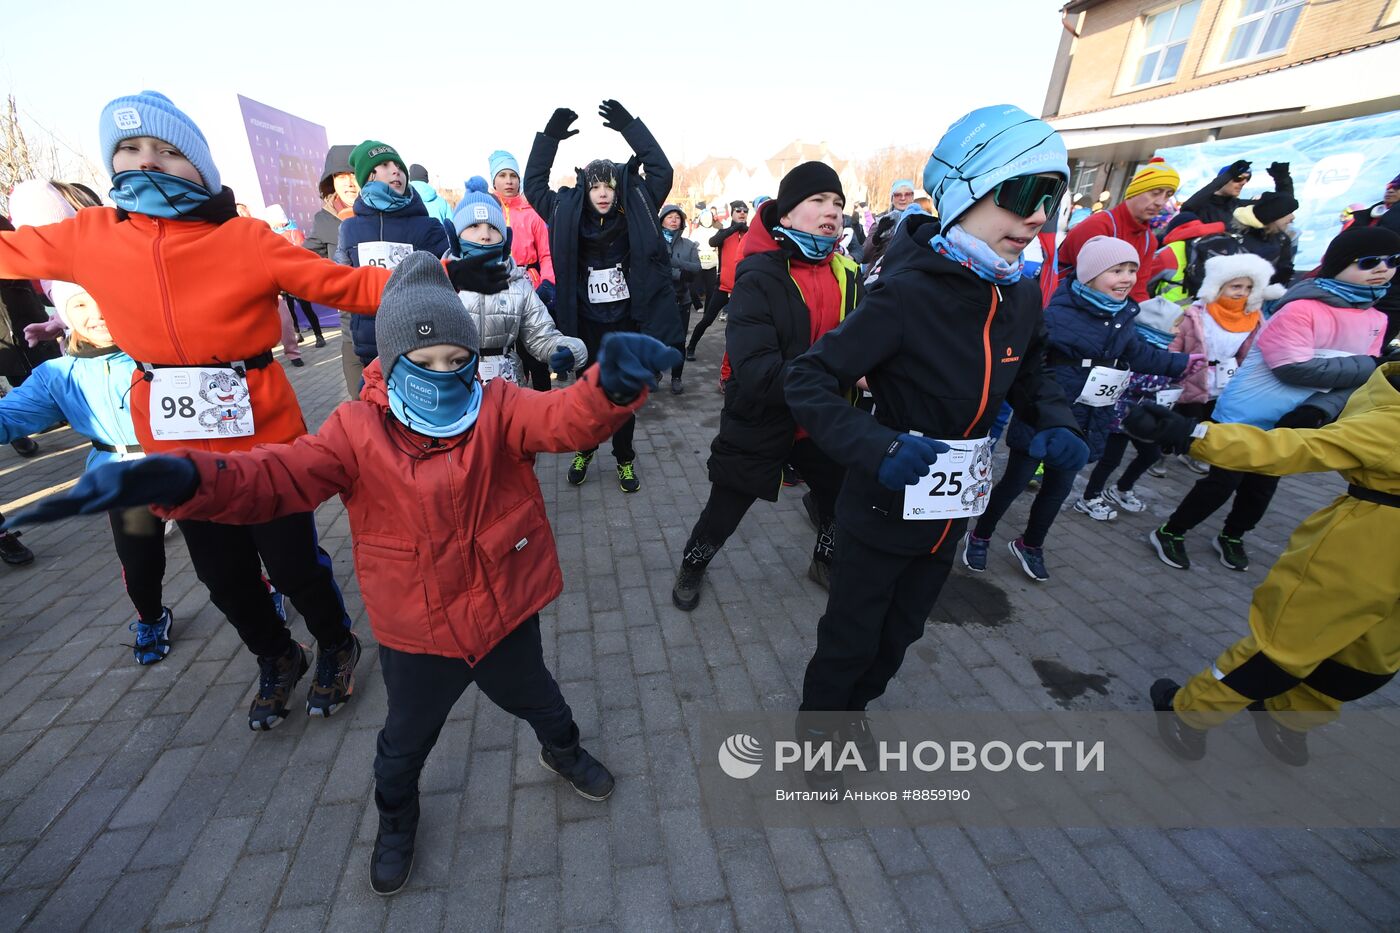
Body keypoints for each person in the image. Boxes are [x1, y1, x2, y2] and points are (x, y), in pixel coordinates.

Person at [7, 252, 682, 894]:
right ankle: (396, 816)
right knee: (404, 742)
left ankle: (561, 749)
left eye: (458, 359)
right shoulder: (354, 430)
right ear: (389, 361)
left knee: (540, 696)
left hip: (504, 608)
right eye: (424, 361)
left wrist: (609, 388)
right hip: (418, 631)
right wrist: (191, 476)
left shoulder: (498, 405)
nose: (444, 373)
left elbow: (563, 417)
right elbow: (277, 476)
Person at [0, 90, 504, 731]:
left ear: (202, 167)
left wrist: (449, 274)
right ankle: (275, 655)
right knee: (222, 574)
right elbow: (10, 251)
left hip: (262, 433)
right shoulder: (92, 237)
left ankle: (335, 641)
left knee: (292, 562)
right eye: (130, 150)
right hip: (175, 445)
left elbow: (344, 285)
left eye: (167, 152)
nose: (148, 163)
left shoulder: (246, 239)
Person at [784, 106, 1084, 769]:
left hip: (950, 513)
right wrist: (878, 446)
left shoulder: (1021, 293)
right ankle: (820, 741)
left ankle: (853, 713)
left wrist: (1056, 422)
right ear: (967, 189)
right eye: (1025, 192)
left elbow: (1033, 370)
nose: (1040, 216)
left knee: (899, 638)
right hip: (879, 507)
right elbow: (806, 379)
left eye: (1053, 196)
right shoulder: (906, 294)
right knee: (851, 638)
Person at [1123, 360, 1400, 767]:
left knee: (1371, 661)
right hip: (1371, 544)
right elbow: (1294, 448)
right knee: (1285, 646)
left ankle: (1290, 716)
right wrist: (1192, 433)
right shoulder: (1391, 423)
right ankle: (1191, 714)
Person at [1149, 225, 1399, 572]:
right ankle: (1172, 530)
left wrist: (1317, 409)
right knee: (1223, 481)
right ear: (1340, 264)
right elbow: (1291, 367)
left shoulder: (1376, 318)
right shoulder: (1302, 308)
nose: (1383, 269)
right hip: (1246, 412)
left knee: (1262, 487)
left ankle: (1233, 534)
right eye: (1369, 261)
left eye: (1392, 261)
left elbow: (1360, 382)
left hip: (1294, 419)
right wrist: (1367, 364)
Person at [671, 162, 859, 612]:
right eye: (817, 201)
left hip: (823, 421)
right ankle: (693, 564)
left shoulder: (848, 273)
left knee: (841, 498)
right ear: (787, 215)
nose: (831, 210)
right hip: (761, 417)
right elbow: (756, 371)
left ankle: (825, 560)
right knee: (726, 508)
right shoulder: (759, 276)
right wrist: (845, 373)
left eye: (837, 203)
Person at [962, 236, 1194, 580]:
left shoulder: (1124, 317)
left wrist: (1182, 363)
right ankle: (980, 534)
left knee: (1058, 488)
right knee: (1015, 481)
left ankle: (1032, 543)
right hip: (1045, 418)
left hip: (1090, 418)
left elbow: (1140, 354)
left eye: (1132, 270)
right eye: (1116, 270)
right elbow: (1029, 365)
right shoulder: (1058, 314)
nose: (1127, 278)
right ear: (1088, 276)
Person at [0, 282, 173, 662]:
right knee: (140, 564)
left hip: (191, 468)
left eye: (105, 297)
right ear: (65, 314)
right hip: (125, 480)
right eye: (80, 304)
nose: (96, 314)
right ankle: (152, 617)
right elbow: (8, 419)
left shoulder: (168, 346)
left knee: (227, 557)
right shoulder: (58, 374)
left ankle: (261, 592)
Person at [524, 99, 684, 493]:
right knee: (588, 396)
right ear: (585, 187)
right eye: (595, 185)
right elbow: (533, 186)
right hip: (586, 324)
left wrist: (631, 127)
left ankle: (625, 458)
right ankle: (586, 447)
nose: (602, 193)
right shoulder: (564, 212)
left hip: (628, 321)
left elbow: (662, 170)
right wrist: (549, 139)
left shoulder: (640, 206)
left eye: (608, 185)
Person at [450, 178, 586, 386]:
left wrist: (568, 349)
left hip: (509, 387)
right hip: (457, 386)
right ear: (455, 235)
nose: (485, 235)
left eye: (493, 228)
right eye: (474, 226)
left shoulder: (518, 284)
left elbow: (541, 335)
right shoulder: (441, 281)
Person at [337, 140, 453, 370]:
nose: (396, 170)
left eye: (398, 166)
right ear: (368, 176)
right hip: (367, 347)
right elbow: (343, 282)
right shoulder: (349, 228)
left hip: (419, 343)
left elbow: (449, 280)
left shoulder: (428, 226)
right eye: (385, 165)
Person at [1167, 252, 1277, 473]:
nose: (1242, 293)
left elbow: (1247, 353)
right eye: (1236, 286)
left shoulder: (1252, 318)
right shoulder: (1197, 313)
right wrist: (1170, 369)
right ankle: (1164, 450)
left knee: (1208, 420)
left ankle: (1195, 451)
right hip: (1191, 375)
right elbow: (1176, 343)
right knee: (1183, 416)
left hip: (1223, 379)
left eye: (1248, 288)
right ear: (1219, 286)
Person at [1077, 297, 1185, 512]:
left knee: (1151, 454)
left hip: (1144, 418)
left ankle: (1122, 488)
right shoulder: (1136, 348)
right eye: (1176, 324)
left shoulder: (1163, 350)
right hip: (1120, 417)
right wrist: (1169, 373)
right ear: (1158, 325)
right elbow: (1133, 380)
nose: (1179, 331)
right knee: (1110, 460)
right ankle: (1090, 498)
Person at [1058, 157, 1180, 303]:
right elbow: (1090, 285)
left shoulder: (1149, 240)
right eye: (1155, 192)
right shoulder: (1098, 225)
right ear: (1135, 191)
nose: (1161, 202)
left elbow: (1138, 291)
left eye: (1168, 195)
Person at [489, 150, 557, 390]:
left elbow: (547, 254)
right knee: (501, 354)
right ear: (493, 180)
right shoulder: (487, 212)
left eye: (513, 175)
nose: (509, 181)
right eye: (503, 175)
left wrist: (548, 282)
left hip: (530, 287)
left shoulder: (533, 213)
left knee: (535, 356)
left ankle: (542, 407)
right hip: (496, 288)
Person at [303, 144, 362, 394]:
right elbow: (305, 261)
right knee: (361, 405)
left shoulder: (385, 213)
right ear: (331, 182)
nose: (349, 183)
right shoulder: (324, 220)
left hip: (394, 324)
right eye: (341, 176)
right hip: (352, 331)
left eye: (354, 174)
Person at [686, 200, 749, 360]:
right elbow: (712, 242)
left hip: (743, 289)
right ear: (733, 213)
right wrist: (734, 228)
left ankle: (737, 355)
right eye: (738, 210)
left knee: (740, 324)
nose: (742, 213)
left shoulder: (751, 234)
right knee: (707, 319)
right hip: (722, 287)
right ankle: (691, 346)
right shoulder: (725, 232)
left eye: (745, 210)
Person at [1180, 159, 1292, 229]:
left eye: (1247, 180)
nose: (1243, 183)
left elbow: (1284, 206)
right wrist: (1228, 174)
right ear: (1223, 179)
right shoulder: (1202, 207)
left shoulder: (1241, 207)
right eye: (1238, 178)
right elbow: (1187, 207)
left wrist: (1282, 179)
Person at [660, 204, 700, 394]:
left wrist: (675, 264)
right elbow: (655, 269)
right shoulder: (655, 242)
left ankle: (677, 377)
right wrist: (679, 273)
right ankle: (654, 372)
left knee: (678, 341)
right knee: (657, 339)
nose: (674, 220)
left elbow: (696, 269)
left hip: (681, 300)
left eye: (677, 217)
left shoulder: (689, 245)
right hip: (658, 299)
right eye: (669, 217)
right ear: (661, 220)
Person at [1233, 191, 1298, 285]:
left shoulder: (1282, 239)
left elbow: (1284, 272)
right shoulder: (1239, 240)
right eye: (1288, 212)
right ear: (1273, 215)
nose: (1292, 217)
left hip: (1273, 294)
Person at [407, 163, 455, 242]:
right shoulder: (442, 202)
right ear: (426, 179)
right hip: (439, 247)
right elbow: (451, 228)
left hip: (411, 246)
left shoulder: (403, 199)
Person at [687, 206, 721, 313]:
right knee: (691, 286)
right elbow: (691, 247)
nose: (707, 220)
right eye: (704, 218)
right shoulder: (695, 232)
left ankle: (708, 309)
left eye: (709, 217)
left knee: (711, 289)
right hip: (698, 263)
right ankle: (698, 305)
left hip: (712, 263)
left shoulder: (717, 231)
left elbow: (719, 249)